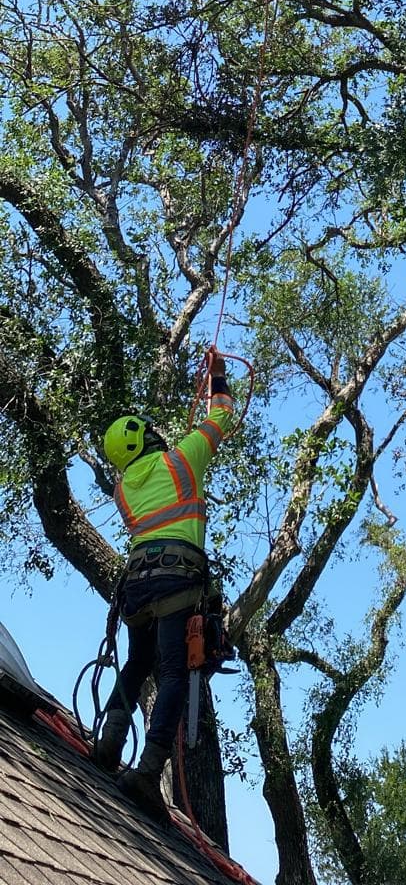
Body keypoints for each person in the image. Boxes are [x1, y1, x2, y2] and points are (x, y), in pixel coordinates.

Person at [93, 349, 235, 821]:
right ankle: (148, 772)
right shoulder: (182, 462)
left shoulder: (122, 489)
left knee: (138, 660)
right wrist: (217, 376)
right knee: (173, 672)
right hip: (177, 581)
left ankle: (110, 740)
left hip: (136, 585)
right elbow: (222, 417)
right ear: (149, 437)